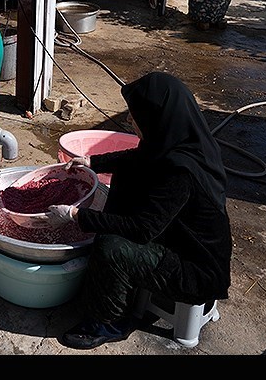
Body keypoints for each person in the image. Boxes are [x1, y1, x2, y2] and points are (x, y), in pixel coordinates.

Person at [45, 71, 232, 350]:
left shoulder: (181, 171)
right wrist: (91, 161)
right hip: (182, 241)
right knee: (129, 174)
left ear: (156, 119)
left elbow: (141, 229)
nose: (131, 122)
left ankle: (110, 322)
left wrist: (75, 215)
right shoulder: (182, 139)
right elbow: (138, 158)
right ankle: (119, 289)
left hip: (195, 271)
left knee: (111, 247)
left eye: (135, 117)